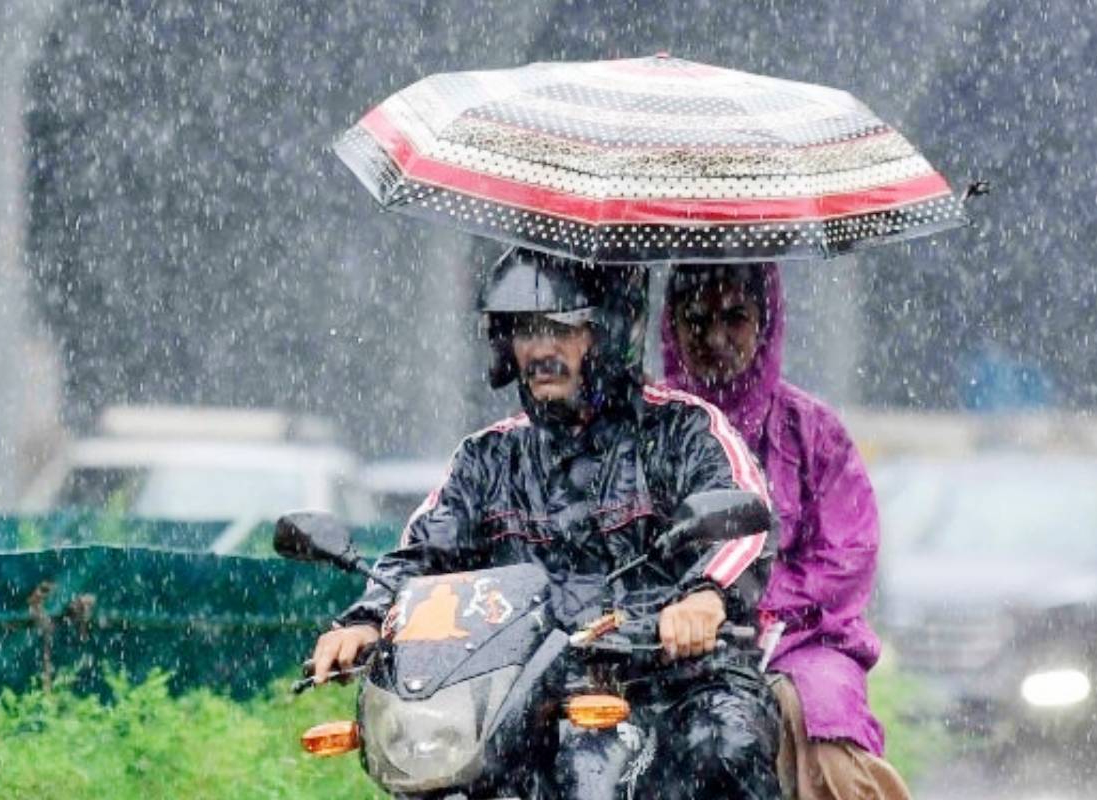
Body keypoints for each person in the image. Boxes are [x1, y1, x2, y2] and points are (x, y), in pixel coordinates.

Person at [312, 247, 782, 799]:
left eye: (562, 328)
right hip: (517, 696)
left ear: (608, 331)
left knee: (725, 745)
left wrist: (705, 596)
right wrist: (367, 618)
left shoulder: (683, 429)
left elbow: (744, 519)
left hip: (672, 680)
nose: (541, 349)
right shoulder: (486, 457)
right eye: (526, 330)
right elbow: (423, 555)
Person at [662, 262, 912, 800]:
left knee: (827, 745)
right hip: (662, 643)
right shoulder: (645, 429)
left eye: (735, 317)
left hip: (802, 640)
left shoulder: (813, 431)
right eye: (695, 319)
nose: (714, 337)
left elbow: (847, 556)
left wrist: (749, 607)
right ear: (670, 327)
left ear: (765, 321)